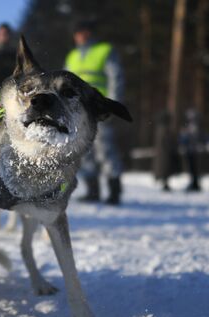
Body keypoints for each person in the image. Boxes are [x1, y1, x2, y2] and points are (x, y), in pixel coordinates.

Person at [65, 19, 125, 205]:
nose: (81, 35)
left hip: (99, 109)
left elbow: (116, 78)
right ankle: (92, 190)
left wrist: (113, 105)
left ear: (90, 33)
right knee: (85, 150)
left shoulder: (104, 51)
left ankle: (114, 190)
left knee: (105, 149)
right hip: (76, 113)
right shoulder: (72, 56)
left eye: (84, 32)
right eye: (78, 32)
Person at [180, 108, 205, 192]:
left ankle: (195, 183)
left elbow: (194, 138)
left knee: (194, 168)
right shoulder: (191, 126)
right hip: (191, 151)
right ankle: (194, 183)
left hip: (193, 151)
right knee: (192, 168)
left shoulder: (194, 126)